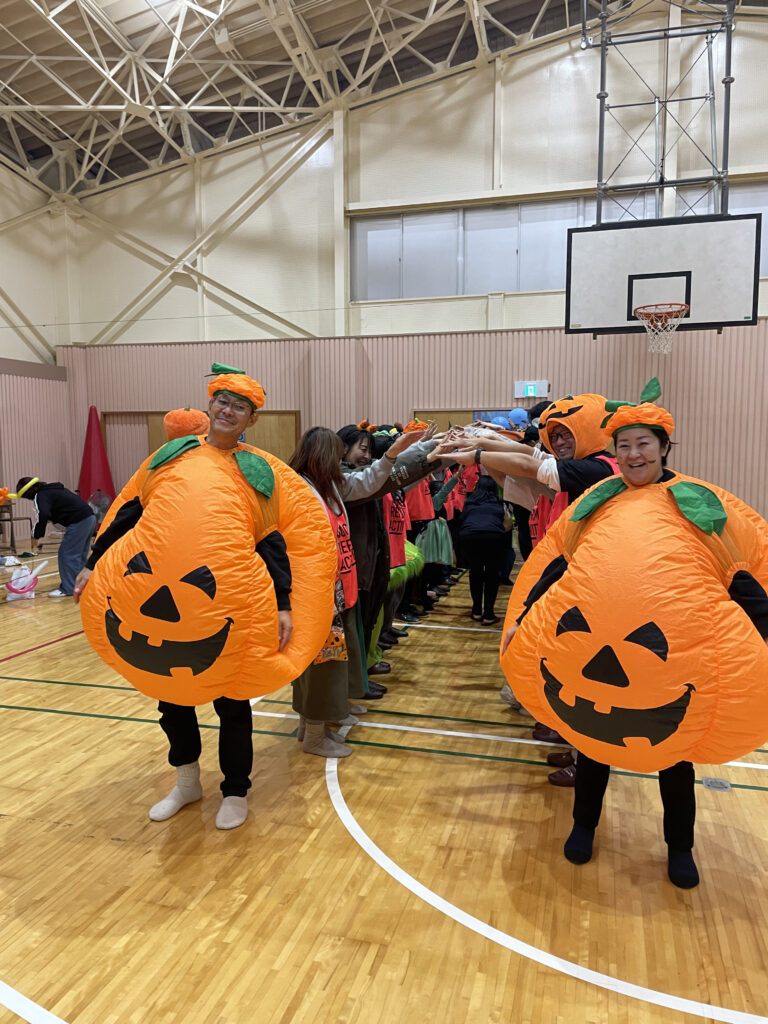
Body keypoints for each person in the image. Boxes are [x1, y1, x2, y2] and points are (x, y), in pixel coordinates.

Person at [500, 398, 768, 888]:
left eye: (643, 444)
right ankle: (584, 826)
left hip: (670, 667)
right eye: (624, 446)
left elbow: (742, 577)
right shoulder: (599, 500)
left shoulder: (699, 504)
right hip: (585, 653)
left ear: (664, 447)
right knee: (592, 740)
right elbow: (558, 563)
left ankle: (680, 848)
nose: (633, 455)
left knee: (674, 757)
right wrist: (522, 616)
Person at [75, 363, 336, 831]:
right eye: (223, 401)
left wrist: (281, 606)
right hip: (153, 605)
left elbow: (273, 543)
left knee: (232, 706)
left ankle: (235, 790)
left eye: (240, 407)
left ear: (251, 420)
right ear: (209, 405)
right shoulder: (172, 458)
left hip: (223, 612)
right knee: (171, 699)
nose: (228, 410)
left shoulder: (256, 473)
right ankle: (187, 781)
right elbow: (129, 516)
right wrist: (93, 564)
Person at [288, 427, 370, 758]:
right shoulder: (299, 491)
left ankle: (313, 728)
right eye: (335, 456)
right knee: (321, 666)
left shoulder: (327, 488)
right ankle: (314, 736)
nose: (340, 462)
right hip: (315, 597)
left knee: (328, 663)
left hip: (334, 593)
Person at [15, 477, 96, 598]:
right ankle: (82, 585)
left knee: (67, 554)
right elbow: (55, 510)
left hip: (78, 521)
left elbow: (42, 514)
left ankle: (68, 588)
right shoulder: (51, 490)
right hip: (89, 517)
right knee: (79, 555)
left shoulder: (40, 495)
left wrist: (35, 536)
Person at [458, 474, 506, 624]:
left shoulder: (469, 503)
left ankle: (476, 611)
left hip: (469, 537)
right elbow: (508, 523)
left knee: (475, 573)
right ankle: (489, 614)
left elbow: (462, 521)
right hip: (493, 537)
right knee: (492, 575)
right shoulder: (499, 503)